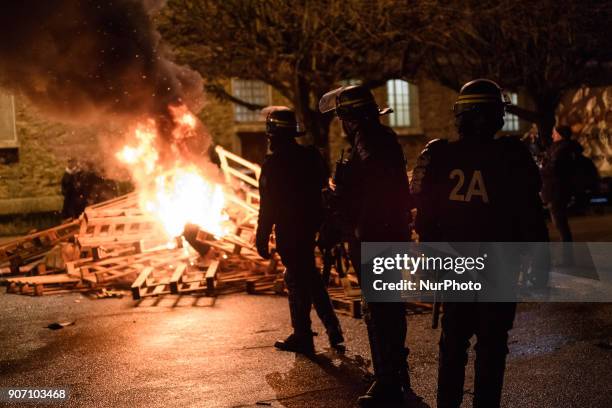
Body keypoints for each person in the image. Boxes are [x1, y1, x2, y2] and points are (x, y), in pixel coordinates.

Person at [411, 79, 549, 408]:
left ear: (462, 115)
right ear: (496, 116)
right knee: (492, 345)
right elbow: (531, 215)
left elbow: (425, 219)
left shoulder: (440, 155)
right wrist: (539, 264)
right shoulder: (513, 156)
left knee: (453, 342)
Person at [319, 85, 417, 406]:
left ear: (349, 117)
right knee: (388, 307)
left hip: (375, 237)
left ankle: (388, 384)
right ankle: (395, 374)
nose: (342, 125)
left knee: (380, 310)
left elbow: (372, 190)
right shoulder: (380, 138)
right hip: (386, 234)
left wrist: (355, 224)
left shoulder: (368, 141)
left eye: (342, 118)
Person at [255, 106, 344, 354]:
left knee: (296, 279)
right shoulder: (311, 157)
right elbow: (324, 190)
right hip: (311, 227)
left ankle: (303, 335)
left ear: (274, 135)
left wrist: (261, 237)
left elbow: (268, 206)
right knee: (310, 277)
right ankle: (333, 328)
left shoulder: (273, 166)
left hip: (290, 231)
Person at [541, 126, 583, 263]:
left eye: (554, 133)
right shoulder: (560, 148)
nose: (552, 136)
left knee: (560, 224)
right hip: (558, 190)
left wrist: (542, 169)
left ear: (560, 135)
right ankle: (567, 257)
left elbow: (554, 169)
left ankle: (567, 258)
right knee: (560, 223)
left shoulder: (561, 150)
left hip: (557, 191)